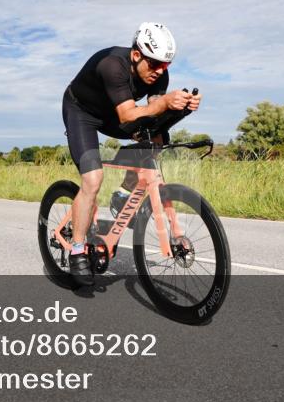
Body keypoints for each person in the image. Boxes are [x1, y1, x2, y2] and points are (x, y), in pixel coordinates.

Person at [61, 22, 201, 285]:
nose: (160, 72)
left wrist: (182, 108)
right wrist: (163, 102)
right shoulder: (112, 66)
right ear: (136, 55)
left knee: (155, 138)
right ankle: (78, 249)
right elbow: (128, 114)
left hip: (113, 114)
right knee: (92, 179)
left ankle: (122, 195)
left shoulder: (160, 74)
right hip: (82, 113)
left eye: (166, 66)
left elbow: (153, 116)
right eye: (155, 64)